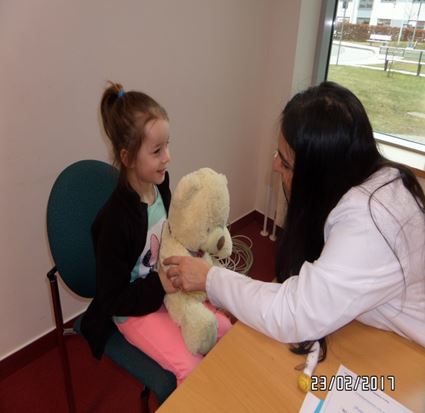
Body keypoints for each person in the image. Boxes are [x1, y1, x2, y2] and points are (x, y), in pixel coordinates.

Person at [164, 81, 425, 350]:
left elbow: (294, 314)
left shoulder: (370, 224)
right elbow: (310, 292)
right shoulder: (376, 182)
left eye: (286, 162)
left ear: (320, 176)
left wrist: (210, 280)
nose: (275, 165)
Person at [80, 82, 231, 384]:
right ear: (127, 158)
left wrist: (192, 251)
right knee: (191, 369)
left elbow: (172, 233)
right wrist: (160, 283)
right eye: (157, 151)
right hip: (132, 308)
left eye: (167, 146)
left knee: (224, 330)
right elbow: (113, 298)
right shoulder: (114, 222)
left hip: (164, 287)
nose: (167, 157)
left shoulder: (160, 186)